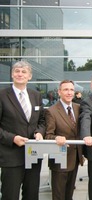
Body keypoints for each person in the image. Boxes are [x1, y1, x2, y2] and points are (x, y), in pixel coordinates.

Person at [0, 60, 45, 200]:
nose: (20, 74)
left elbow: (42, 120)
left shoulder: (36, 95)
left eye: (24, 72)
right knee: (10, 195)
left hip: (33, 155)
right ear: (12, 74)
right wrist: (12, 138)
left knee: (32, 195)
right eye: (17, 71)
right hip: (11, 156)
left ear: (29, 76)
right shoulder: (2, 95)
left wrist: (40, 132)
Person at [45, 80, 84, 200]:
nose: (69, 92)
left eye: (71, 90)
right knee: (59, 195)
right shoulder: (51, 111)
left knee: (69, 194)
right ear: (59, 92)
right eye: (66, 89)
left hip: (75, 157)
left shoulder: (78, 108)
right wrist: (56, 138)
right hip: (60, 158)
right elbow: (48, 135)